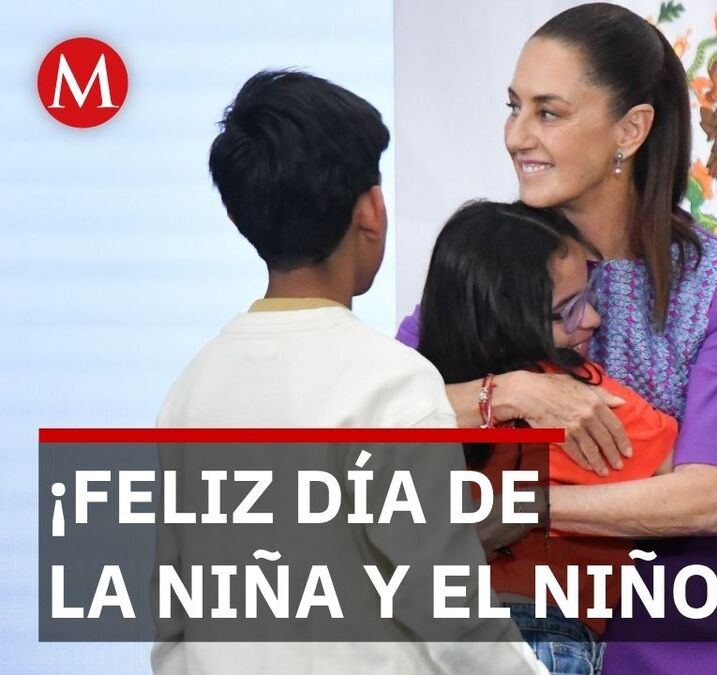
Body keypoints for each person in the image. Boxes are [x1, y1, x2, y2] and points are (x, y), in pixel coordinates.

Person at [396, 4, 717, 672]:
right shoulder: (491, 259)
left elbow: (707, 499)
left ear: (631, 129)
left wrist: (527, 507)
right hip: (519, 645)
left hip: (691, 643)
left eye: (548, 112)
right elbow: (381, 422)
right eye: (514, 107)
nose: (517, 135)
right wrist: (511, 392)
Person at [155, 70, 545, 674]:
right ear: (371, 211)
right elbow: (455, 618)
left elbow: (173, 635)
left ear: (238, 216)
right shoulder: (392, 383)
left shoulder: (189, 391)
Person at [415, 199, 717, 674]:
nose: (592, 318)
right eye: (567, 311)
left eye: (588, 296)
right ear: (509, 318)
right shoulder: (587, 402)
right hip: (548, 635)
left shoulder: (423, 388)